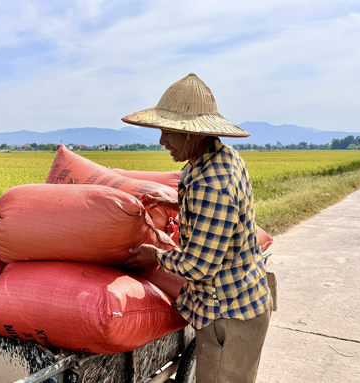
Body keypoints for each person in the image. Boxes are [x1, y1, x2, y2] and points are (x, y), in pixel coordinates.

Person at [122, 73, 272, 383]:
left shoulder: (210, 185)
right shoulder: (221, 158)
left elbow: (198, 266)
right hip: (244, 299)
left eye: (168, 132)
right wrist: (175, 203)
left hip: (230, 316)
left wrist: (156, 255)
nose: (162, 141)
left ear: (193, 133)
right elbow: (220, 214)